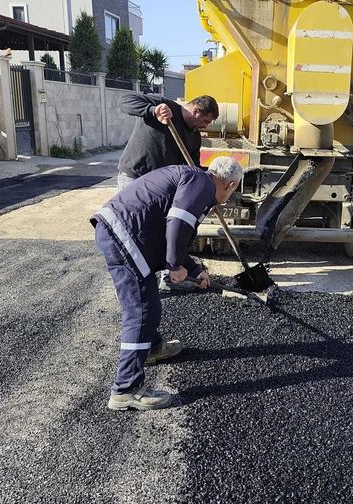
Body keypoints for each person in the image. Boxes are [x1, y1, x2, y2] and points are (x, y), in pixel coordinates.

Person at [91, 157, 244, 410]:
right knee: (141, 311)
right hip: (123, 236)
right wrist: (173, 266)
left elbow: (171, 234)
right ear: (229, 185)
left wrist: (196, 269)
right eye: (234, 189)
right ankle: (125, 389)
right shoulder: (201, 184)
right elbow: (177, 223)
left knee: (148, 305)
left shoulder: (195, 179)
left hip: (120, 232)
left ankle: (150, 348)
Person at [116, 93, 219, 191]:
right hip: (134, 178)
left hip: (160, 185)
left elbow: (192, 168)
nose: (205, 126)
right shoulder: (164, 107)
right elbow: (124, 100)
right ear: (196, 111)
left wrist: (212, 175)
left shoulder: (195, 137)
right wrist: (153, 111)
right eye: (205, 121)